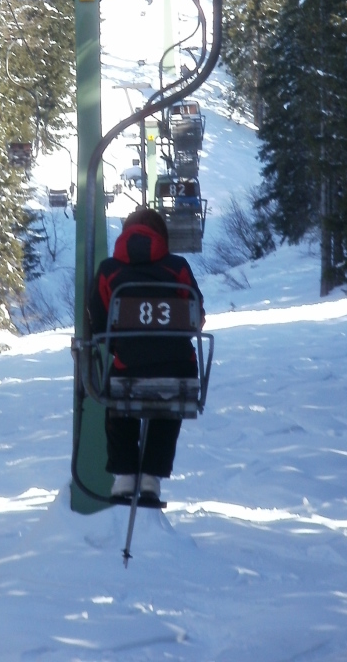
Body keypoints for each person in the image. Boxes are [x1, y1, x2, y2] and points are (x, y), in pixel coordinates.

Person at [88, 206, 205, 502]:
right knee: (170, 399)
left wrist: (123, 346)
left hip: (129, 367)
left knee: (120, 395)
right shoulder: (177, 267)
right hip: (179, 368)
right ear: (161, 235)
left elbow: (99, 323)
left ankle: (125, 476)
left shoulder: (108, 271)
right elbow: (195, 317)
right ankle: (152, 477)